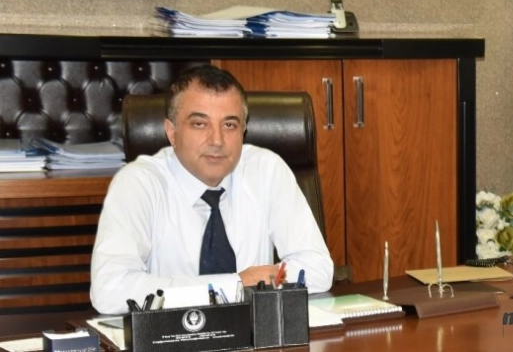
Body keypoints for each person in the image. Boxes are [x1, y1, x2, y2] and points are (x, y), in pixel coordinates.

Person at [90, 65, 333, 314]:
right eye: (199, 124)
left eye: (229, 125)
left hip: (257, 332)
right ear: (172, 133)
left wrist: (252, 283)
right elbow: (110, 289)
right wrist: (236, 285)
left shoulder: (266, 170)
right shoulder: (138, 183)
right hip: (172, 333)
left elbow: (318, 270)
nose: (217, 140)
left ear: (244, 131)